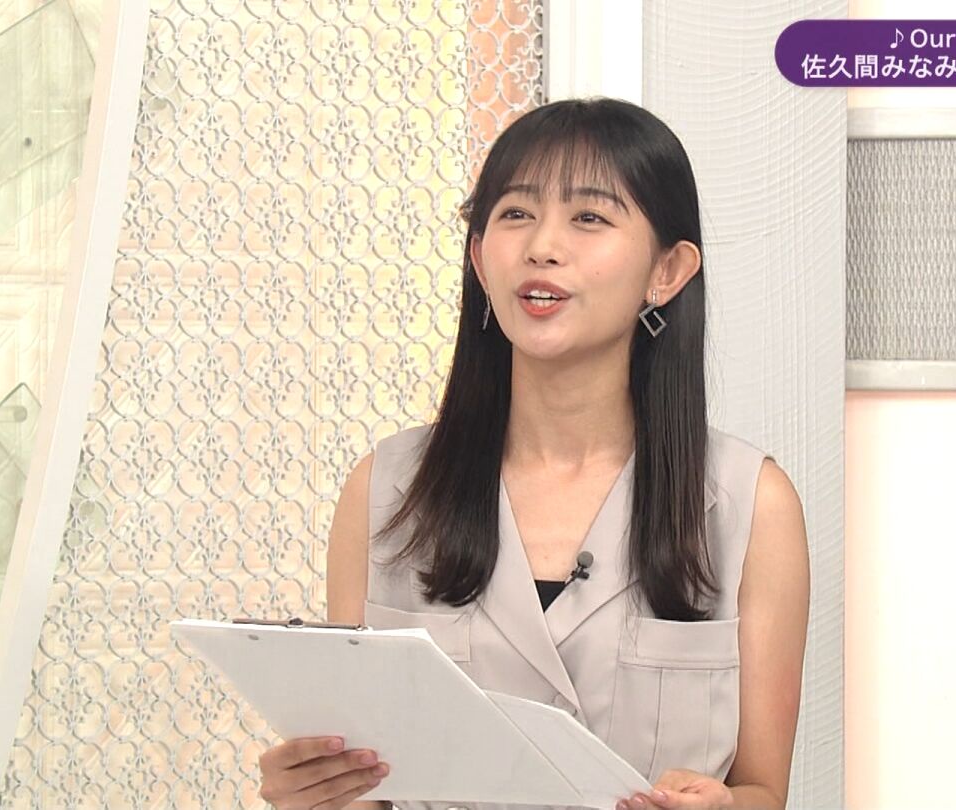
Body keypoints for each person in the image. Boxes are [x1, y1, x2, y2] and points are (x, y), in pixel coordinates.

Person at [257, 97, 809, 810]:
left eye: (590, 217)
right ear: (479, 258)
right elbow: (365, 781)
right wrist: (315, 793)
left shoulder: (749, 504)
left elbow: (763, 790)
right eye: (516, 213)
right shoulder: (386, 489)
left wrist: (723, 806)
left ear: (667, 271)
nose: (543, 245)